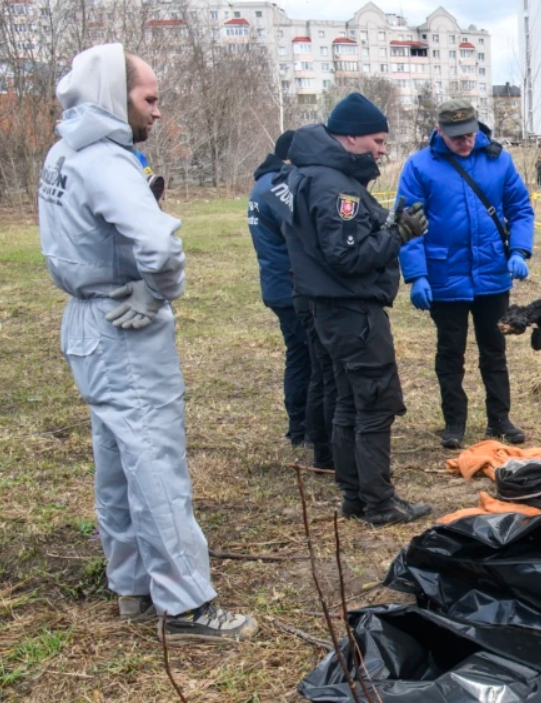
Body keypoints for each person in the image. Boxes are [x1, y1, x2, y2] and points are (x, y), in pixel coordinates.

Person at [38, 44, 256, 641]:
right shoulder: (107, 162)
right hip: (124, 324)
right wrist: (158, 293)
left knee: (115, 459)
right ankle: (187, 605)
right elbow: (159, 247)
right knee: (154, 461)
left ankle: (132, 585)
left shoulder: (64, 152)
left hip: (86, 321)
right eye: (149, 99)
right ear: (115, 96)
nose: (158, 112)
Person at [264, 93, 433, 525]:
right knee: (374, 403)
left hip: (328, 310)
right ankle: (379, 502)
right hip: (352, 313)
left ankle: (355, 496)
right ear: (351, 137)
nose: (381, 150)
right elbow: (349, 257)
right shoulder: (335, 187)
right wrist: (399, 234)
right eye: (377, 140)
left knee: (348, 402)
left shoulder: (310, 175)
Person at [397, 99, 535, 450]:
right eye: (456, 136)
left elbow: (520, 208)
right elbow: (407, 224)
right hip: (444, 276)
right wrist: (417, 276)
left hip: (492, 273)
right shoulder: (419, 167)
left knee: (495, 349)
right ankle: (454, 423)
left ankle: (500, 419)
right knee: (450, 354)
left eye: (470, 134)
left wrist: (519, 250)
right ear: (440, 131)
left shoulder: (498, 159)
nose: (465, 142)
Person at [248, 130, 316, 453]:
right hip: (290, 288)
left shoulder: (264, 184)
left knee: (299, 355)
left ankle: (300, 427)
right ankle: (303, 427)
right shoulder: (278, 187)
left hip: (278, 284)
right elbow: (302, 231)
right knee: (306, 358)